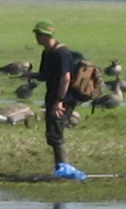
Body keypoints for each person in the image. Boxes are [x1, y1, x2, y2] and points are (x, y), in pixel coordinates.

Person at [25, 20, 86, 180]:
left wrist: (60, 101)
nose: (37, 38)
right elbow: (46, 75)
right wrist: (31, 75)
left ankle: (64, 169)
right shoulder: (47, 52)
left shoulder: (62, 52)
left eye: (39, 34)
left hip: (63, 98)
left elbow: (66, 78)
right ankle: (61, 168)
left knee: (56, 133)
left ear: (46, 35)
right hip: (52, 96)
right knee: (52, 132)